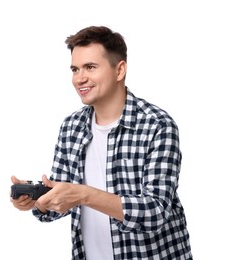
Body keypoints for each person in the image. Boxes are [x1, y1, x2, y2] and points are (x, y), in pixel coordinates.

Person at [10, 25, 193, 260]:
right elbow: (62, 201)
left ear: (120, 70)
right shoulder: (71, 126)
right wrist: (39, 200)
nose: (80, 78)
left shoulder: (157, 125)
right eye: (75, 69)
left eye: (90, 67)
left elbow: (155, 212)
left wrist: (83, 194)